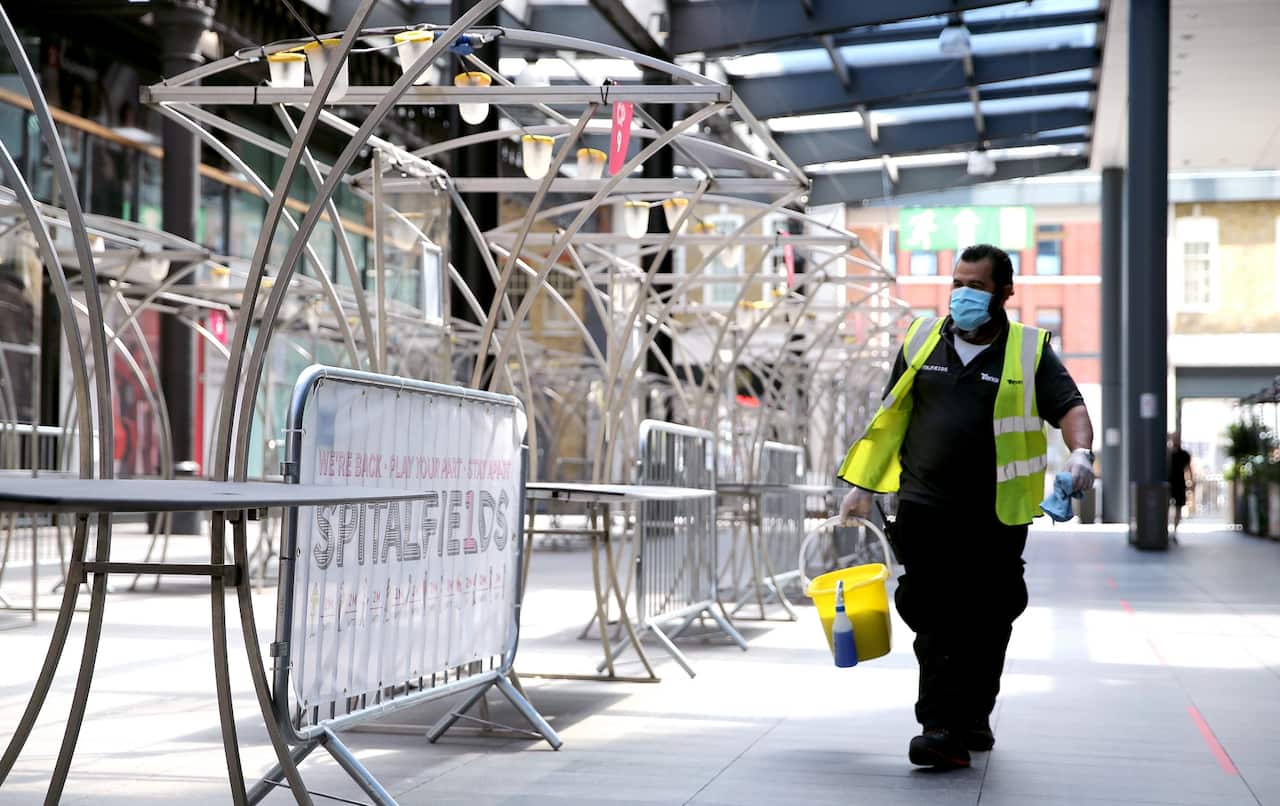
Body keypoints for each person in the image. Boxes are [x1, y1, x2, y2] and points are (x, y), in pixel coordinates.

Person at [836, 244, 1094, 771]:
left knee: (989, 617)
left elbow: (1070, 407)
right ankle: (940, 727)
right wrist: (862, 485)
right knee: (932, 615)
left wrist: (1082, 453)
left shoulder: (1027, 350)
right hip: (924, 506)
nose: (963, 295)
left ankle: (974, 714)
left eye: (976, 286)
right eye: (957, 283)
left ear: (1004, 293)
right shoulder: (921, 339)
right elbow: (892, 417)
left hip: (996, 512)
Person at [1168, 433, 1193, 535]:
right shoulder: (1168, 454)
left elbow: (1188, 469)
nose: (1175, 441)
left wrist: (1191, 482)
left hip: (1179, 484)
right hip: (1169, 484)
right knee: (1168, 506)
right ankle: (1168, 530)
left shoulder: (1184, 455)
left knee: (1178, 508)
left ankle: (1174, 531)